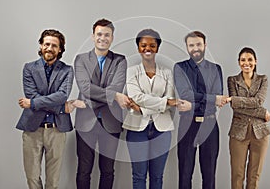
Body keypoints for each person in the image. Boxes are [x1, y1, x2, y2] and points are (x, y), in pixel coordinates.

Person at [73, 18, 130, 189]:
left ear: (112, 38)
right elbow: (85, 87)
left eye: (107, 35)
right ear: (93, 36)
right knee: (84, 169)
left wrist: (88, 103)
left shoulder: (120, 60)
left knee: (107, 170)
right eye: (99, 34)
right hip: (85, 123)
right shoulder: (81, 59)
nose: (102, 38)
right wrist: (114, 96)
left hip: (111, 122)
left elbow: (117, 86)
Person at [16, 29, 74, 189]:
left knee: (53, 181)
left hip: (57, 130)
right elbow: (31, 93)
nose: (50, 48)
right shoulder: (29, 68)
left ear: (60, 49)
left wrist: (33, 104)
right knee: (32, 178)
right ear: (41, 45)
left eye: (54, 45)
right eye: (46, 44)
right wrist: (61, 107)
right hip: (32, 129)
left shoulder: (67, 70)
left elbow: (62, 95)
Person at [123, 29, 177, 189]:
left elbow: (170, 100)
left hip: (162, 129)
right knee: (139, 175)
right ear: (138, 47)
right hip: (136, 129)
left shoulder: (167, 73)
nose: (148, 48)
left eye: (152, 45)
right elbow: (136, 97)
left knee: (157, 176)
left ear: (157, 48)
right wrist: (163, 102)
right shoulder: (131, 71)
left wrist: (142, 109)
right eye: (143, 45)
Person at [174, 31, 227, 189]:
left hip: (209, 126)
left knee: (209, 175)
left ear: (205, 45)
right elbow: (185, 94)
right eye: (191, 45)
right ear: (187, 48)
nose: (195, 48)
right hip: (187, 126)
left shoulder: (215, 69)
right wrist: (211, 99)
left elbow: (218, 99)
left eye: (198, 44)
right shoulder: (180, 67)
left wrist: (193, 105)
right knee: (184, 174)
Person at [226, 47, 270, 189]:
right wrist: (262, 113)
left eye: (250, 59)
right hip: (238, 133)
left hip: (260, 133)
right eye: (243, 60)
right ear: (239, 62)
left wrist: (235, 99)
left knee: (254, 176)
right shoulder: (232, 80)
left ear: (255, 61)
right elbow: (235, 107)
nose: (246, 63)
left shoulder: (263, 79)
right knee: (237, 175)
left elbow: (258, 101)